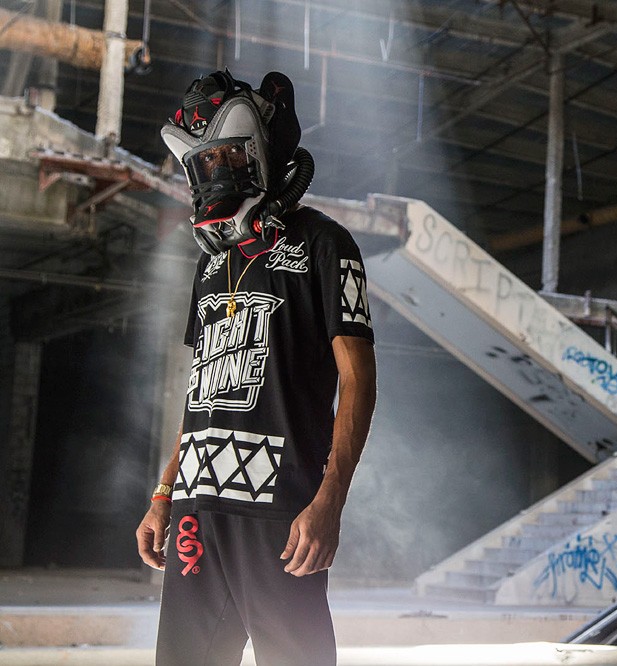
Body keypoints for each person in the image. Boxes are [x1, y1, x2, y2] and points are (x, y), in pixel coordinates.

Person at [135, 69, 376, 666]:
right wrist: (165, 492)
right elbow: (201, 393)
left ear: (262, 151)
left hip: (280, 512)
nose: (215, 171)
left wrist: (330, 501)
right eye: (203, 161)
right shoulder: (210, 266)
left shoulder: (326, 243)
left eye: (227, 154)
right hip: (195, 512)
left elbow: (358, 381)